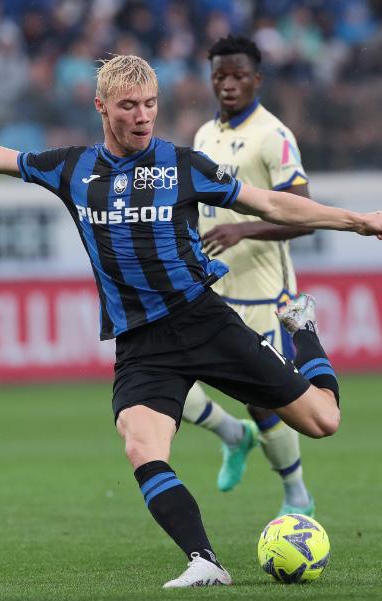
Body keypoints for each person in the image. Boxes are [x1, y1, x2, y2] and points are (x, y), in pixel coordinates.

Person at [0, 54, 381, 589]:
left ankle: (302, 328)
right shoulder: (72, 168)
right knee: (141, 446)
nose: (143, 115)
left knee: (323, 421)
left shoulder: (182, 165)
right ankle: (204, 560)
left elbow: (269, 204)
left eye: (150, 104)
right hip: (142, 344)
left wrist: (359, 221)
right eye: (129, 105)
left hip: (203, 322)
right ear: (101, 107)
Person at [182, 35, 315, 517]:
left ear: (257, 79)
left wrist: (244, 229)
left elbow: (305, 214)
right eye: (220, 75)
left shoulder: (273, 136)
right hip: (210, 289)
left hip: (263, 295)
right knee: (165, 377)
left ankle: (297, 494)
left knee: (267, 401)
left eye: (238, 75)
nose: (228, 84)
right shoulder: (203, 135)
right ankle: (232, 434)